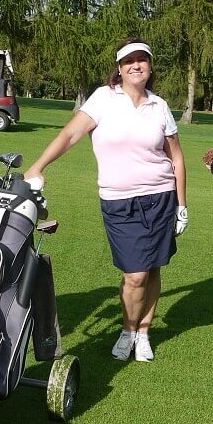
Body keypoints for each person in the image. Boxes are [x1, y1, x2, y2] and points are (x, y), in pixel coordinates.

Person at [25, 38, 188, 363]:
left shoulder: (160, 106)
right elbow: (70, 135)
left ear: (150, 66)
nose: (136, 65)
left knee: (153, 267)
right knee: (135, 273)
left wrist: (182, 205)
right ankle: (128, 330)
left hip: (160, 197)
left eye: (142, 59)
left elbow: (177, 158)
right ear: (120, 68)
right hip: (119, 201)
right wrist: (38, 166)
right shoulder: (103, 98)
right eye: (129, 61)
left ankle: (143, 333)